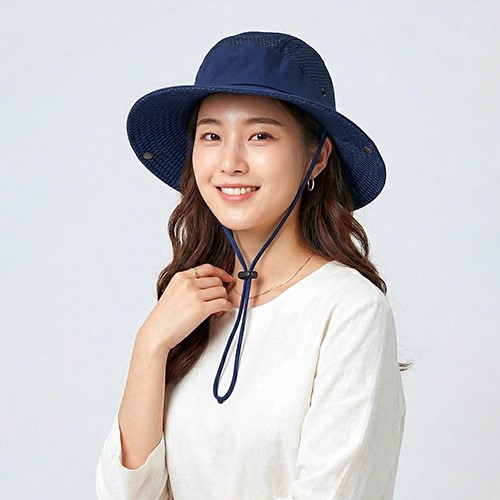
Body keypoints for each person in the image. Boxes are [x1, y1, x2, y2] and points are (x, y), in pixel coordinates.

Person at [96, 31, 407, 499]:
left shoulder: (349, 310)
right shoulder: (188, 306)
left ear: (316, 157)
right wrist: (150, 345)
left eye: (260, 135)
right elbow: (125, 494)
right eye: (211, 135)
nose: (230, 162)